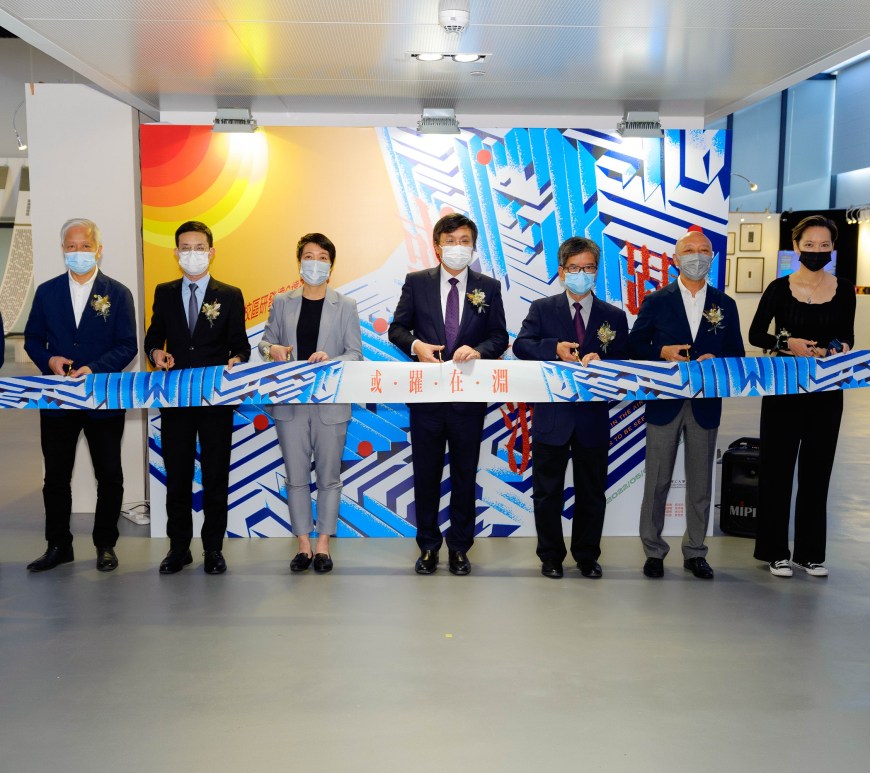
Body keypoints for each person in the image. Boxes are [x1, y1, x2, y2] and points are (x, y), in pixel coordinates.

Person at [388, 213, 508, 575]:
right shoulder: (417, 282)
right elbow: (397, 328)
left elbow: (499, 336)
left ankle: (459, 548)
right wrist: (416, 346)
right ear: (437, 246)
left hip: (468, 400)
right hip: (427, 399)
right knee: (426, 476)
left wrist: (479, 351)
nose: (458, 247)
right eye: (451, 241)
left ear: (473, 247)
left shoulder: (489, 287)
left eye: (465, 241)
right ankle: (428, 547)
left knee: (464, 476)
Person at [628, 228, 744, 580]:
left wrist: (717, 360)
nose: (697, 256)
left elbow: (737, 353)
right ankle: (653, 551)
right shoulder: (656, 300)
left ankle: (695, 551)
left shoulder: (725, 304)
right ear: (676, 259)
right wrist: (661, 352)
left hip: (705, 404)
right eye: (689, 250)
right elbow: (633, 346)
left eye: (704, 250)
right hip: (664, 403)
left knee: (700, 484)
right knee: (657, 482)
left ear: (712, 257)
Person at [23, 218, 137, 572]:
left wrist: (95, 368)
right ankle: (58, 545)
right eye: (71, 246)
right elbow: (32, 339)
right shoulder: (47, 292)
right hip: (57, 400)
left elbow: (128, 345)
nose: (78, 252)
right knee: (56, 477)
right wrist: (49, 360)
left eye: (85, 246)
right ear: (62, 250)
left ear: (98, 250)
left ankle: (105, 544)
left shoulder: (118, 293)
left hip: (102, 399)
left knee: (110, 475)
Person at [514, 237, 629, 579]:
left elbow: (626, 361)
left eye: (589, 268)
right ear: (562, 272)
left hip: (593, 419)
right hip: (553, 416)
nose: (582, 274)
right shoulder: (542, 308)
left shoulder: (614, 316)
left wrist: (604, 362)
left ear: (597, 271)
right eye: (575, 268)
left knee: (591, 493)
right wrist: (554, 349)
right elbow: (521, 345)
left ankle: (587, 556)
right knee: (547, 493)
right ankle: (550, 556)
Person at [749, 215, 855, 578]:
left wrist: (837, 348)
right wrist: (787, 343)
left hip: (827, 392)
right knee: (776, 470)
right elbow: (756, 334)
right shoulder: (779, 289)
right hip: (784, 389)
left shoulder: (844, 289)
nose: (816, 251)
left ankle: (810, 554)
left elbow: (847, 335)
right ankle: (775, 551)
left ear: (833, 248)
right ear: (796, 246)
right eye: (809, 245)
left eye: (824, 245)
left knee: (817, 472)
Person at [143, 221, 250, 575]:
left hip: (216, 400)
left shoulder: (230, 294)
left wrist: (238, 360)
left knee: (215, 476)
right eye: (186, 248)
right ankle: (179, 548)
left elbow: (241, 345)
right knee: (177, 476)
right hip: (176, 399)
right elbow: (153, 337)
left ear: (211, 252)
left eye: (199, 247)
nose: (193, 254)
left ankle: (213, 549)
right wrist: (156, 353)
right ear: (176, 253)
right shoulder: (164, 292)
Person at [257, 233, 362, 573]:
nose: (315, 263)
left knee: (329, 477)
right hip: (290, 403)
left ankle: (323, 546)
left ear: (331, 265)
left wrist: (331, 359)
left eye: (322, 257)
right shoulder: (282, 302)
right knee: (296, 476)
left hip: (330, 404)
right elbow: (265, 344)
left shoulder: (346, 305)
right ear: (299, 262)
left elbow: (355, 355)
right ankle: (303, 545)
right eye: (308, 256)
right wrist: (272, 349)